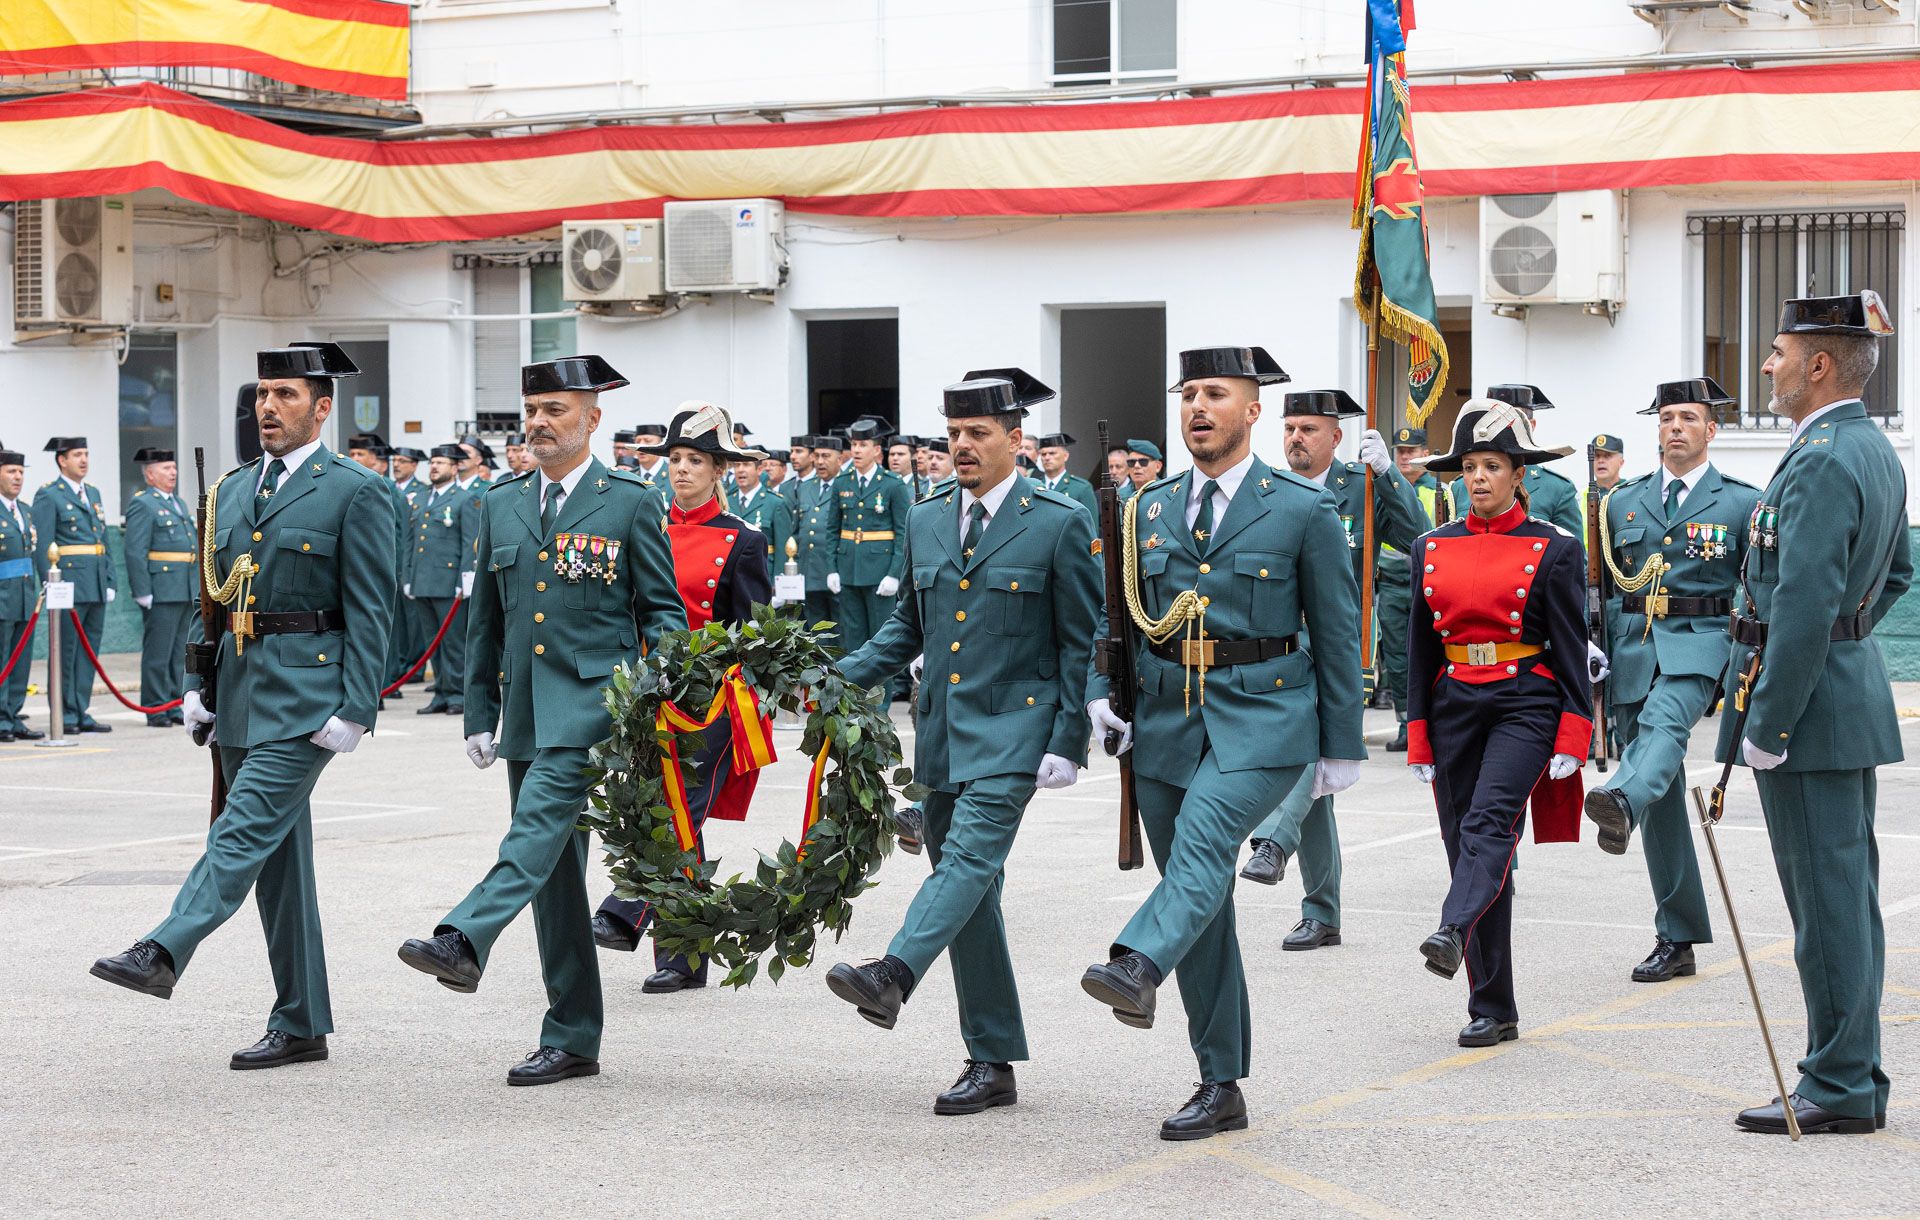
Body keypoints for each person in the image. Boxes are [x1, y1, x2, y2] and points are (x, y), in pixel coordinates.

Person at [91, 342, 398, 1070]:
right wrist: (198, 684)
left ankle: (163, 948)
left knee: (239, 831)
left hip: (308, 697)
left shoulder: (354, 489)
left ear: (322, 408)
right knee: (279, 864)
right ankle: (301, 1022)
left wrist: (357, 706)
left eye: (287, 395)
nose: (269, 407)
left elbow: (372, 607)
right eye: (263, 393)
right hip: (239, 691)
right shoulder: (228, 490)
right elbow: (215, 598)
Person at [1082, 346, 1363, 1140]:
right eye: (1190, 395)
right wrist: (1105, 696)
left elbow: (1337, 633)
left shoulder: (1302, 509)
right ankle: (1220, 1082)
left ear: (1253, 411)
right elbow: (1121, 616)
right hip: (1169, 717)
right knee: (1199, 900)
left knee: (1204, 851)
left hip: (1267, 716)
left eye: (1217, 394)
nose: (1198, 408)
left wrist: (1340, 744)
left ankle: (1135, 961)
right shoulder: (1149, 506)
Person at [397, 355, 684, 1086]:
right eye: (533, 410)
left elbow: (663, 616)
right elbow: (485, 619)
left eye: (556, 410)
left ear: (592, 419)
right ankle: (573, 1037)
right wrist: (478, 710)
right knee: (555, 875)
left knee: (531, 830)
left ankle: (464, 936)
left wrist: (644, 700)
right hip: (525, 705)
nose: (539, 423)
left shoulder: (629, 500)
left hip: (595, 706)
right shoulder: (502, 501)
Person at [825, 368, 1099, 1117]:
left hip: (1018, 727)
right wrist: (836, 678)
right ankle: (992, 1059)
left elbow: (1081, 640)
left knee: (972, 858)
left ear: (1018, 441)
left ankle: (893, 973)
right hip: (943, 729)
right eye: (954, 435)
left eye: (978, 434)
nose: (962, 447)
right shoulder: (926, 517)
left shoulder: (1057, 519)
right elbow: (908, 629)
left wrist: (1068, 739)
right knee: (971, 894)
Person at [1722, 292, 1908, 1137]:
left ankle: (1837, 1086)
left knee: (1826, 909)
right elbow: (1896, 571)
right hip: (1841, 696)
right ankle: (1855, 1073)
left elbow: (1800, 605)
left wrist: (1769, 724)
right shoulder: (1870, 449)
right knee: (1845, 900)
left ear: (1820, 364)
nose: (1768, 365)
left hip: (1809, 714)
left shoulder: (1828, 457)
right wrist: (1852, 633)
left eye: (1777, 351)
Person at [1404, 399, 1591, 1049]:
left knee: (1489, 827)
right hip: (1455, 697)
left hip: (1524, 698)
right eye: (1470, 468)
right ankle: (1493, 1007)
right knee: (1472, 850)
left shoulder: (1553, 548)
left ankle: (1451, 930)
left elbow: (1572, 649)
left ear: (1519, 475)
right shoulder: (1430, 546)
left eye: (1493, 465)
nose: (1479, 478)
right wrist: (1419, 733)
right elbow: (1419, 651)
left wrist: (1575, 731)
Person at [1581, 379, 1757, 984]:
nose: (1674, 427)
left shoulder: (1740, 502)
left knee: (1663, 727)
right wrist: (1593, 644)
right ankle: (1676, 936)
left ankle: (1620, 799)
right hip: (1633, 650)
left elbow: (1758, 590)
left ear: (1712, 431)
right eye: (1666, 418)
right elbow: (1604, 586)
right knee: (1662, 800)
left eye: (1688, 418)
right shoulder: (1620, 503)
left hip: (1701, 647)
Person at [1236, 390, 1424, 952]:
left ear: (1336, 438)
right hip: (1278, 643)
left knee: (1306, 750)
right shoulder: (1270, 489)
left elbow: (1418, 539)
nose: (1296, 438)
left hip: (1337, 643)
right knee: (1315, 777)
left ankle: (1273, 840)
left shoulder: (1359, 488)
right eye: (1290, 428)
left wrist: (1389, 475)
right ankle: (1323, 912)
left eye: (1309, 430)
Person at [591, 403, 771, 990]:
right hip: (647, 691)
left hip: (711, 699)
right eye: (674, 458)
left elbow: (751, 629)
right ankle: (684, 958)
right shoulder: (645, 527)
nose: (682, 470)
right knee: (662, 808)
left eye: (696, 460)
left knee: (680, 806)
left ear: (720, 469)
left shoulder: (743, 540)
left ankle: (626, 908)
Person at [31, 437, 115, 733]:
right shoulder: (49, 495)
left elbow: (103, 540)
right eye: (77, 454)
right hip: (67, 583)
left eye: (86, 454)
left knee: (88, 652)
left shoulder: (92, 493)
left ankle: (80, 710)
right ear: (61, 460)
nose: (84, 460)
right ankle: (64, 713)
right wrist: (49, 583)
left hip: (93, 582)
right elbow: (43, 544)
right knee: (65, 652)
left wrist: (109, 578)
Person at [822, 418, 912, 661]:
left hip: (879, 572)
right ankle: (856, 698)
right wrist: (831, 569)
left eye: (863, 445)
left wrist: (895, 574)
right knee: (852, 636)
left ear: (875, 450)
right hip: (848, 569)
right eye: (853, 445)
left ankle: (881, 700)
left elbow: (903, 534)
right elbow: (832, 529)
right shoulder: (842, 482)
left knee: (881, 638)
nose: (857, 451)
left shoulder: (892, 485)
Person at [1446, 385, 1583, 542]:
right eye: (1493, 419)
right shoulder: (1458, 487)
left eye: (1511, 420)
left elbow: (1570, 554)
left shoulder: (1558, 488)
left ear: (1530, 425)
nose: (1478, 477)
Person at [122, 447, 196, 728]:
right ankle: (155, 707)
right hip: (161, 588)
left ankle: (172, 703)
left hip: (183, 586)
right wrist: (142, 590)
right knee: (158, 652)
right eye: (166, 468)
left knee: (179, 652)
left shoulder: (178, 503)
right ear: (150, 474)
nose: (173, 472)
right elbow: (135, 550)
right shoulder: (143, 503)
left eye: (174, 468)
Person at [1377, 426, 1439, 752]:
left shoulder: (1438, 488)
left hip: (1426, 587)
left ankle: (1431, 722)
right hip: (1390, 586)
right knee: (1397, 662)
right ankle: (1406, 724)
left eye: (1412, 450)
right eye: (1399, 451)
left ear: (1425, 453)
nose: (1405, 456)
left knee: (1427, 657)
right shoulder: (1382, 489)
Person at [406, 444, 480, 716]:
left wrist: (466, 577)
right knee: (431, 643)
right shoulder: (422, 498)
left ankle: (457, 694)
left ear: (455, 466)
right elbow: (411, 541)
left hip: (450, 583)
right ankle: (439, 692)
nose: (434, 466)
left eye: (441, 462)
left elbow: (469, 542)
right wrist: (408, 575)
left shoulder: (465, 499)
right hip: (423, 581)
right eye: (432, 462)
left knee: (453, 644)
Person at [347, 434, 414, 699]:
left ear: (377, 461)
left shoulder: (386, 487)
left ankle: (386, 684)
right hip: (359, 569)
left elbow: (399, 533)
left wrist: (397, 570)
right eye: (352, 455)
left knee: (387, 630)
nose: (355, 459)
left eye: (360, 455)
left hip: (385, 570)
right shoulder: (350, 484)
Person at [0, 447, 42, 741]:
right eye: (11, 472)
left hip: (25, 596)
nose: (17, 478)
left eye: (21, 472)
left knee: (20, 660)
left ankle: (13, 714)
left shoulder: (24, 511)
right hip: (2, 597)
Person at [388, 447, 430, 688]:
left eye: (403, 462)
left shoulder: (422, 491)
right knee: (399, 621)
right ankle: (402, 663)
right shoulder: (393, 488)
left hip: (413, 562)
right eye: (396, 461)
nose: (398, 465)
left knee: (414, 621)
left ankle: (415, 665)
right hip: (399, 563)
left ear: (414, 465)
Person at [796, 436, 845, 638]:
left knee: (841, 628)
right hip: (810, 570)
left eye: (826, 456)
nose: (820, 462)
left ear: (840, 459)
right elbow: (796, 530)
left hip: (837, 570)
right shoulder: (806, 487)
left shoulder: (845, 485)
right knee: (816, 630)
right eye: (817, 456)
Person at [731, 451, 792, 581]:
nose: (740, 470)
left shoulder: (776, 503)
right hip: (731, 576)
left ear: (759, 470)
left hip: (762, 575)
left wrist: (778, 582)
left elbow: (783, 548)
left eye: (746, 464)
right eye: (737, 465)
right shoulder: (726, 501)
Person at [1034, 432, 1099, 521]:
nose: (1047, 457)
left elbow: (1091, 527)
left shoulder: (1081, 488)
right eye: (1043, 454)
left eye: (1052, 453)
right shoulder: (1034, 486)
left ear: (1065, 456)